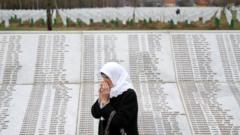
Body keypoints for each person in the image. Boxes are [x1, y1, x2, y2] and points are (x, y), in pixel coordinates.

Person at [91, 62, 139, 135]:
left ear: (115, 76)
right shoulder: (110, 92)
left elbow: (120, 121)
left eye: (107, 77)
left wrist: (105, 102)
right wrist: (101, 98)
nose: (104, 81)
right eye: (103, 77)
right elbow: (95, 114)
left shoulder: (129, 94)